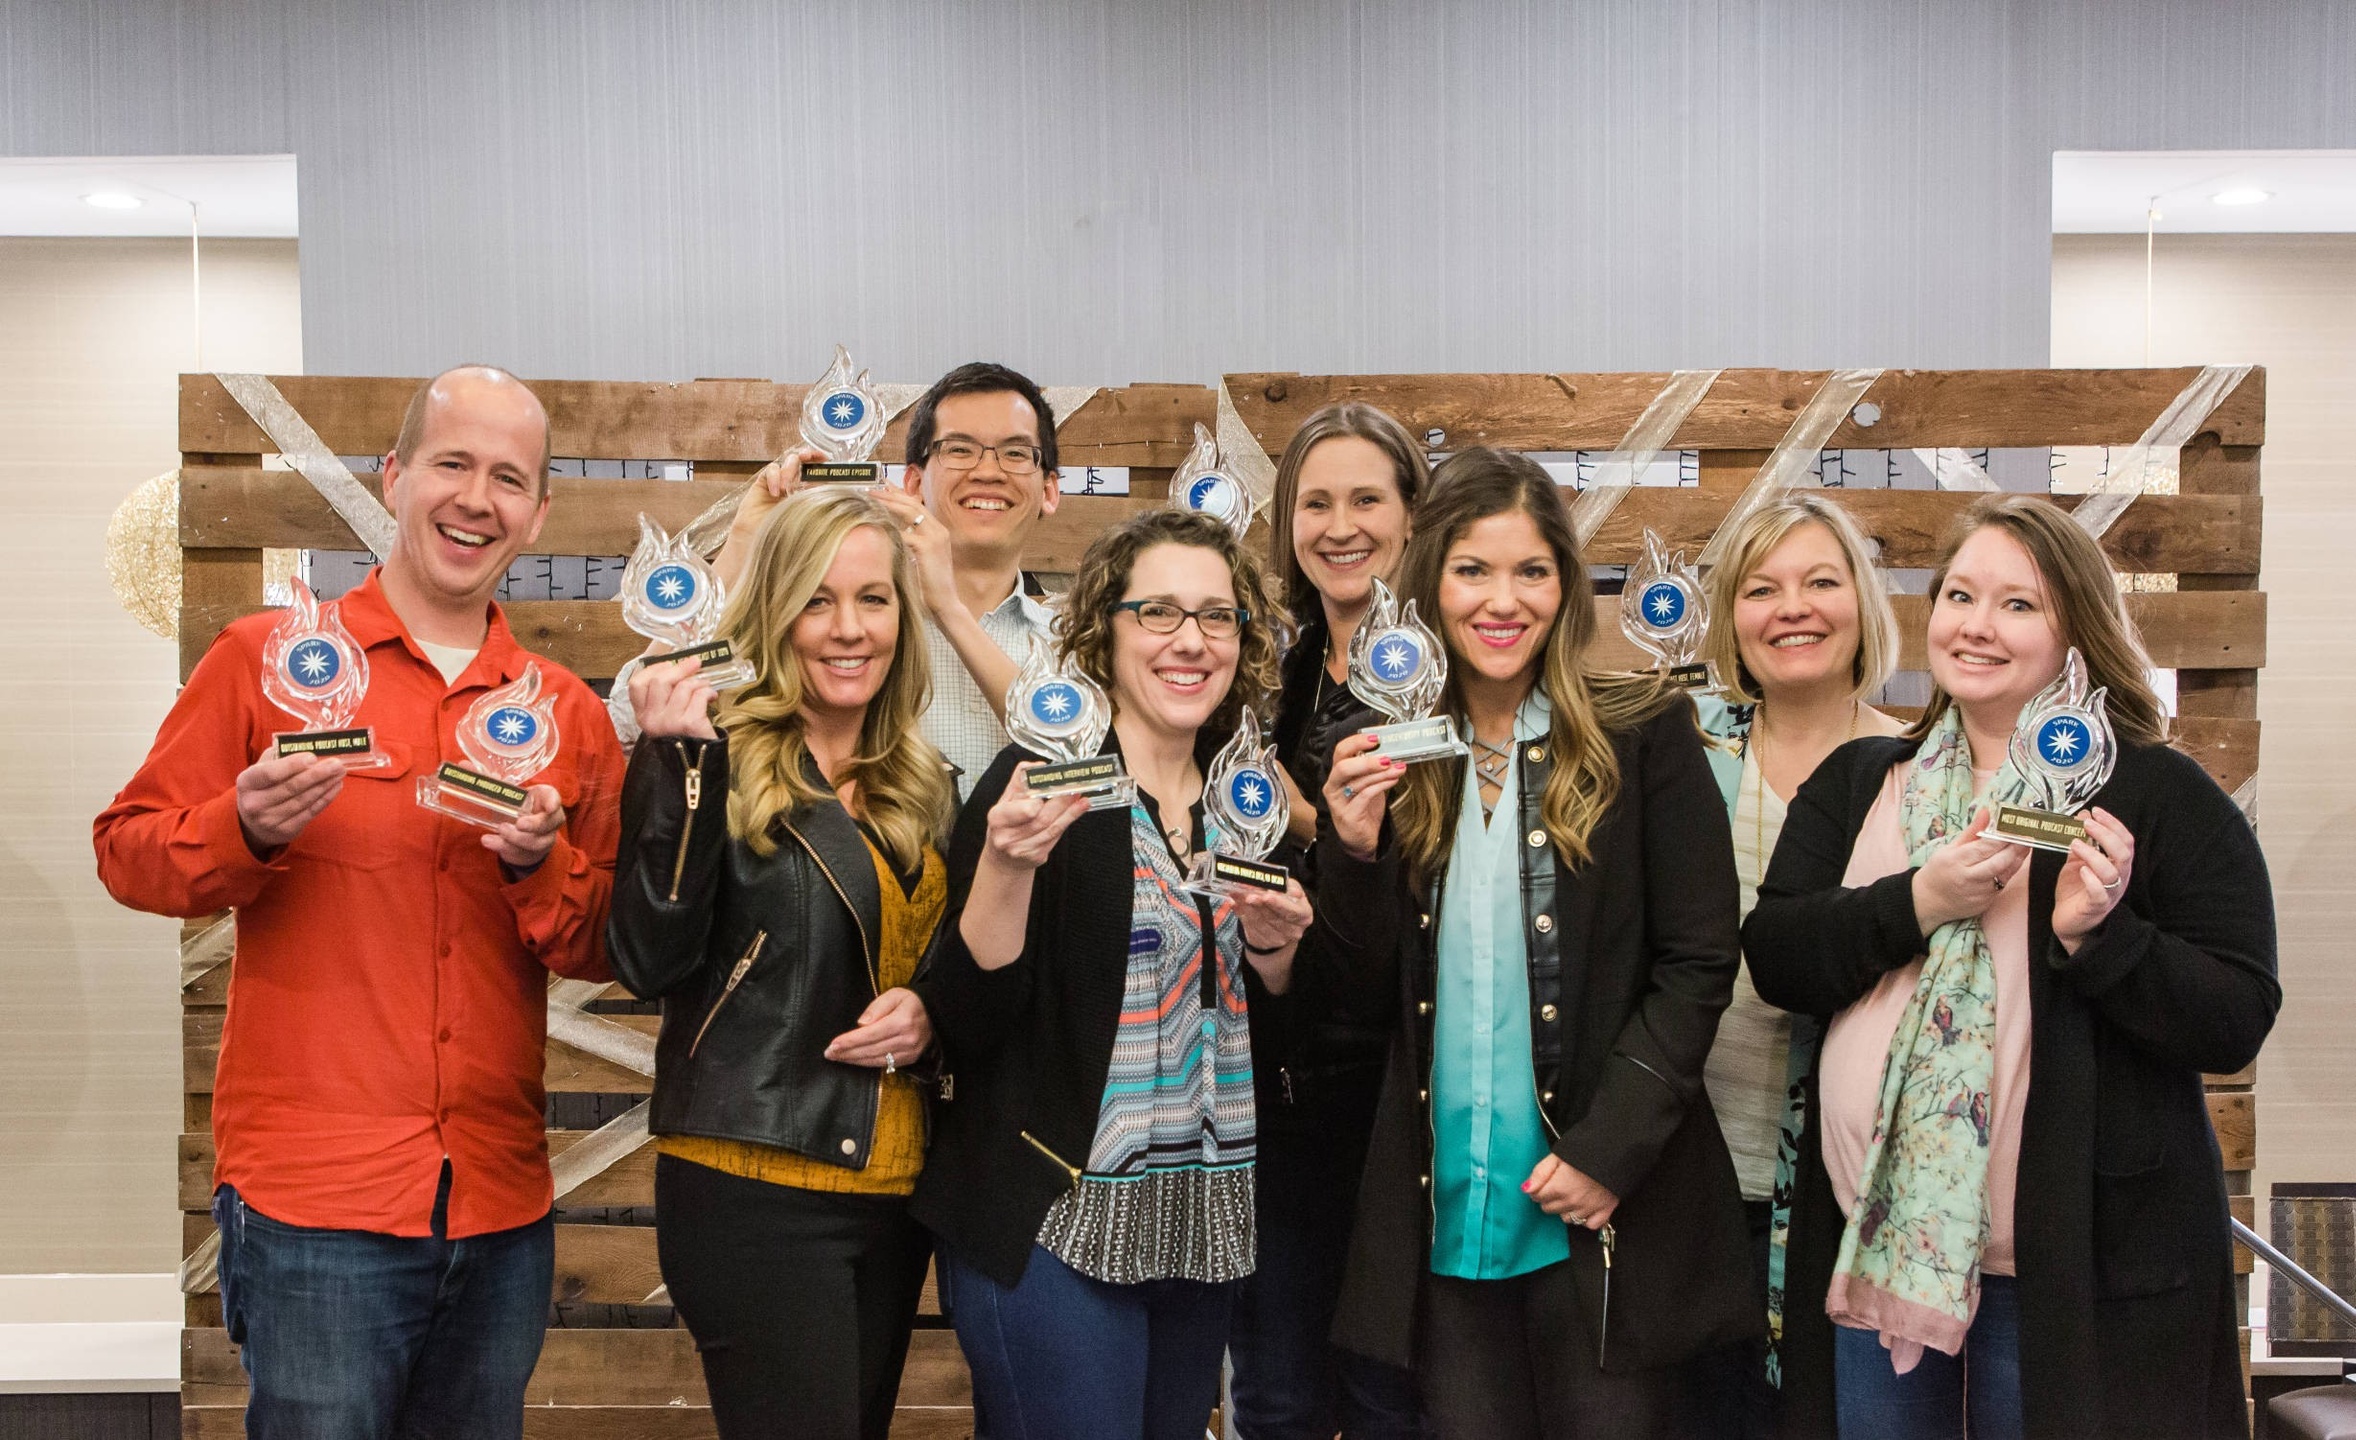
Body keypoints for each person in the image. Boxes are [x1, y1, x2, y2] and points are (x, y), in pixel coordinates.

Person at [93, 366, 624, 1438]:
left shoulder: (566, 715)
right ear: (394, 477)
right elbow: (128, 853)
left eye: (508, 478)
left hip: (498, 1205)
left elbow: (603, 946)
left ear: (537, 514)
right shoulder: (265, 662)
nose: (476, 499)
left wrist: (539, 866)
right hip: (313, 1209)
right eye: (452, 464)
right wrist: (243, 828)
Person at [1744, 493, 2278, 1439]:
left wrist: (2101, 939)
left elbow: (2236, 1014)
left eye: (2017, 604)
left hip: (2077, 1275)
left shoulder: (2157, 791)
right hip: (1880, 1261)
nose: (1976, 625)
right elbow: (1781, 956)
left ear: (2076, 629)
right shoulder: (1863, 779)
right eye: (1959, 596)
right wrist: (1921, 900)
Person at [1315, 450, 1755, 1440]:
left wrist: (1608, 1152)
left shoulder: (1643, 732)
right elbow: (1351, 1000)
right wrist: (1350, 852)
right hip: (1448, 1216)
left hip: (1601, 1211)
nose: (1502, 601)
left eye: (1531, 572)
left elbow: (1697, 961)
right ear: (1430, 582)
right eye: (1472, 570)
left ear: (1566, 587)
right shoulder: (1384, 750)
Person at [911, 508, 1315, 1440]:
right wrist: (1005, 865)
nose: (1191, 640)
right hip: (1055, 1223)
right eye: (1158, 612)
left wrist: (1278, 952)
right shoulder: (1040, 782)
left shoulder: (1244, 799)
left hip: (1200, 1225)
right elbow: (966, 1017)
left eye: (1217, 616)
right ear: (1106, 627)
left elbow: (1275, 1030)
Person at [609, 487, 953, 1440]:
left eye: (873, 599)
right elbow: (647, 958)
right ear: (773, 613)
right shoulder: (713, 756)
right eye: (817, 600)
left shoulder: (922, 782)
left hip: (892, 1186)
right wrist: (678, 768)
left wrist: (932, 1010)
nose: (849, 629)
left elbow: (946, 962)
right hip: (752, 1180)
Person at [1675, 495, 1906, 1439]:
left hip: (1847, 1191)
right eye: (1762, 589)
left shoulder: (1914, 771)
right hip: (1682, 1177)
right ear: (1731, 615)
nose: (1793, 608)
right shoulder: (1683, 750)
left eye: (1820, 581)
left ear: (1864, 604)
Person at [1233, 402, 1430, 1440]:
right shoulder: (1278, 672)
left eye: (1366, 500)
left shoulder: (1444, 675)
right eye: (1315, 503)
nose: (1339, 527)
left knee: (1392, 1396)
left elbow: (1422, 879)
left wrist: (1305, 815)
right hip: (1276, 1088)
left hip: (1399, 1102)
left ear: (1412, 516)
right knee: (1274, 1397)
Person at [719, 361, 1065, 801]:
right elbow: (645, 708)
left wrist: (949, 610)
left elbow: (1080, 760)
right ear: (914, 482)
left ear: (1049, 491)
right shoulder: (856, 635)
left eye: (1015, 453)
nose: (987, 471)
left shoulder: (1074, 641)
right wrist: (742, 540)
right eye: (960, 449)